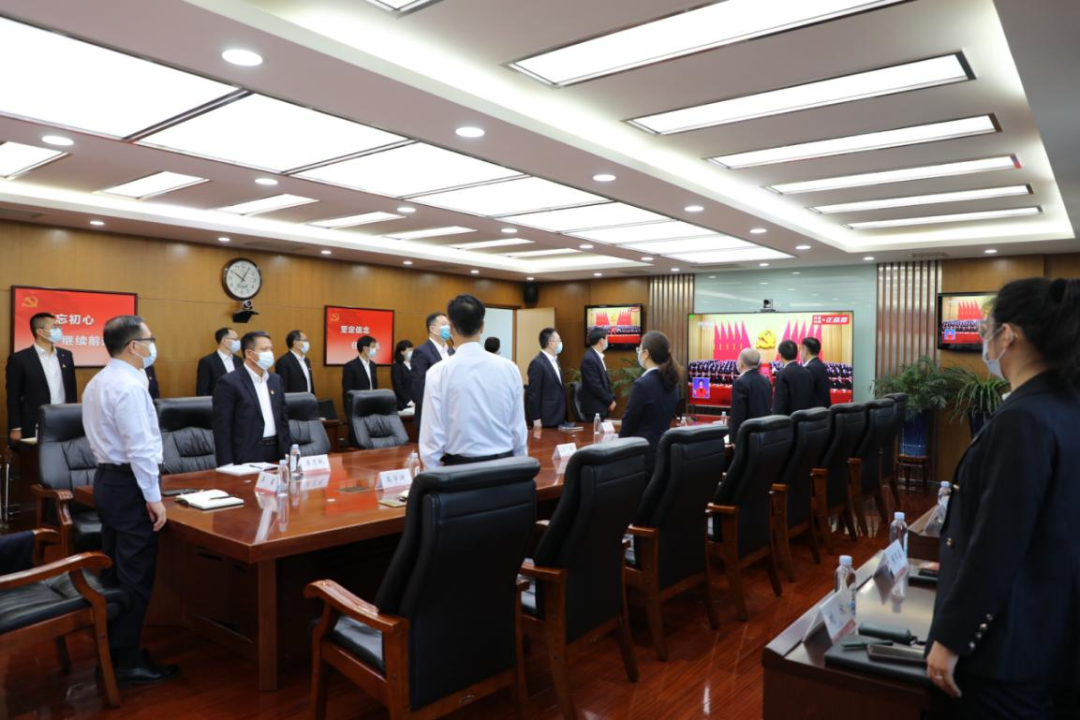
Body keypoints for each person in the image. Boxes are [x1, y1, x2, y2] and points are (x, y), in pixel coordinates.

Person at [925, 277, 1080, 719]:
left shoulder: (1024, 418)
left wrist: (951, 637)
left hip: (1001, 653)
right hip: (1046, 630)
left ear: (1007, 335)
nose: (984, 340)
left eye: (985, 329)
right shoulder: (1065, 403)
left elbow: (999, 541)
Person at [82, 315, 178, 684]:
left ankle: (114, 650)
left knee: (117, 569)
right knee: (136, 574)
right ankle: (126, 661)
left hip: (107, 480)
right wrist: (153, 497)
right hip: (128, 485)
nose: (153, 346)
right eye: (150, 340)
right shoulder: (129, 387)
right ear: (134, 346)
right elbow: (139, 449)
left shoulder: (99, 381)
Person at [420, 294, 527, 468]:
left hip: (460, 469)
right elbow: (518, 428)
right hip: (506, 467)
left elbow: (432, 436)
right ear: (482, 326)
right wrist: (520, 466)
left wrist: (434, 474)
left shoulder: (438, 372)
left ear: (451, 328)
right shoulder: (510, 368)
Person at [212, 331, 291, 466]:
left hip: (277, 452)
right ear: (249, 353)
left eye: (271, 349)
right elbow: (222, 429)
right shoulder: (229, 382)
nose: (270, 353)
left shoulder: (275, 380)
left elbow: (283, 420)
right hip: (247, 454)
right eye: (264, 349)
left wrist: (288, 453)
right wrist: (226, 465)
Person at [6, 312, 77, 446]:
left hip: (64, 419)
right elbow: (13, 396)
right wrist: (15, 427)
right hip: (35, 422)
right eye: (55, 327)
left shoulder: (66, 356)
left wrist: (73, 419)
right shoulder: (20, 359)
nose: (59, 330)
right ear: (40, 331)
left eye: (59, 326)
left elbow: (71, 390)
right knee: (38, 457)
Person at [619, 331, 680, 476]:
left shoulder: (642, 384)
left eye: (639, 349)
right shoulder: (672, 383)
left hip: (641, 456)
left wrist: (618, 447)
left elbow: (629, 422)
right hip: (662, 452)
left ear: (645, 353)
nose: (638, 352)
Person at [411, 312, 454, 431]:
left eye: (449, 324)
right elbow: (418, 387)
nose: (448, 328)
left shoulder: (450, 352)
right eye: (444, 324)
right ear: (432, 329)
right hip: (431, 417)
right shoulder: (422, 352)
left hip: (450, 416)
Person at [527, 327, 567, 428]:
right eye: (559, 340)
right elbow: (534, 394)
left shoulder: (555, 360)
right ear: (550, 343)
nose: (561, 343)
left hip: (559, 417)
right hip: (546, 419)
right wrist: (536, 419)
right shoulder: (537, 363)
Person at [729, 348, 771, 441]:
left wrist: (734, 440)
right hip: (764, 435)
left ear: (741, 363)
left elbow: (737, 415)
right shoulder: (766, 381)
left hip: (746, 437)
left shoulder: (740, 382)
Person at [580, 327, 616, 420]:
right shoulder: (589, 359)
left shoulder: (596, 356)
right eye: (606, 338)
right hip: (594, 410)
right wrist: (610, 401)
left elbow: (606, 382)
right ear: (601, 341)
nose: (608, 341)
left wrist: (611, 398)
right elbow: (595, 386)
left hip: (602, 407)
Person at [195, 327, 241, 397]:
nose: (238, 342)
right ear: (224, 340)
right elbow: (202, 391)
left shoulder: (239, 360)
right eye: (235, 339)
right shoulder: (207, 362)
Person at [772, 340, 814, 415]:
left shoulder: (782, 374)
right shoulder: (808, 372)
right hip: (807, 417)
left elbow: (780, 403)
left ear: (780, 355)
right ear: (796, 354)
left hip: (789, 419)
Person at [342, 334, 379, 407]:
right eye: (373, 347)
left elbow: (374, 385)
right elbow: (347, 391)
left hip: (372, 403)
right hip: (358, 405)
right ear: (365, 348)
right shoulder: (350, 366)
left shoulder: (373, 365)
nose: (375, 349)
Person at [275, 329, 314, 394]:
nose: (307, 343)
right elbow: (283, 387)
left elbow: (309, 383)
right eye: (305, 340)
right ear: (295, 343)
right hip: (293, 399)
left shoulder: (306, 360)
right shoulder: (283, 361)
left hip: (308, 398)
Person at [801, 337, 831, 408]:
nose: (800, 353)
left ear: (806, 351)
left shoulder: (809, 369)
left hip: (813, 411)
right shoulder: (820, 365)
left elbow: (805, 395)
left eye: (801, 349)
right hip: (823, 410)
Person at [390, 340, 415, 411]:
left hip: (416, 402)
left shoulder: (415, 365)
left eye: (412, 349)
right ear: (402, 352)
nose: (412, 352)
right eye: (409, 350)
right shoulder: (397, 366)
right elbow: (398, 386)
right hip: (404, 404)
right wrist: (409, 401)